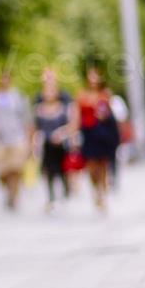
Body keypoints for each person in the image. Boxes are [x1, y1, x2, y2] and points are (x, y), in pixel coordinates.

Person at [76, 66, 121, 213]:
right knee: (91, 168)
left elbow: (110, 116)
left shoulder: (105, 95)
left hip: (102, 134)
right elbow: (77, 116)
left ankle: (102, 194)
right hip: (88, 135)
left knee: (103, 166)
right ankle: (96, 190)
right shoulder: (82, 95)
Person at [0, 72, 32, 211]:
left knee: (16, 169)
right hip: (0, 140)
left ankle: (14, 195)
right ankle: (9, 189)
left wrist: (29, 140)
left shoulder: (18, 96)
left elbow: (26, 118)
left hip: (17, 138)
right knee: (3, 172)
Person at [33, 70, 72, 212]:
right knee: (48, 170)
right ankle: (51, 197)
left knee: (62, 169)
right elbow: (35, 126)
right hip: (46, 143)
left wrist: (64, 134)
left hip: (61, 143)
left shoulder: (65, 99)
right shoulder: (39, 103)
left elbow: (71, 121)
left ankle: (65, 190)